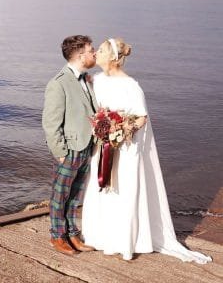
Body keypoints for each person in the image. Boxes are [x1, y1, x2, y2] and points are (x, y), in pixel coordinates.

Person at [81, 38, 212, 264]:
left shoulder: (131, 86)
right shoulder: (97, 80)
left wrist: (121, 130)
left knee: (124, 190)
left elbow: (142, 117)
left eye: (100, 50)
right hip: (104, 145)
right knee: (103, 188)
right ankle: (100, 236)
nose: (96, 53)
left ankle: (126, 242)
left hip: (126, 147)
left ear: (112, 57)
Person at [42, 35, 98, 255]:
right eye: (91, 50)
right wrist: (60, 152)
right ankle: (58, 236)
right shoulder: (58, 83)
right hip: (70, 150)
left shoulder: (84, 78)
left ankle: (72, 233)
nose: (94, 53)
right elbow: (50, 122)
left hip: (87, 146)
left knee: (76, 196)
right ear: (80, 55)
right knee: (60, 195)